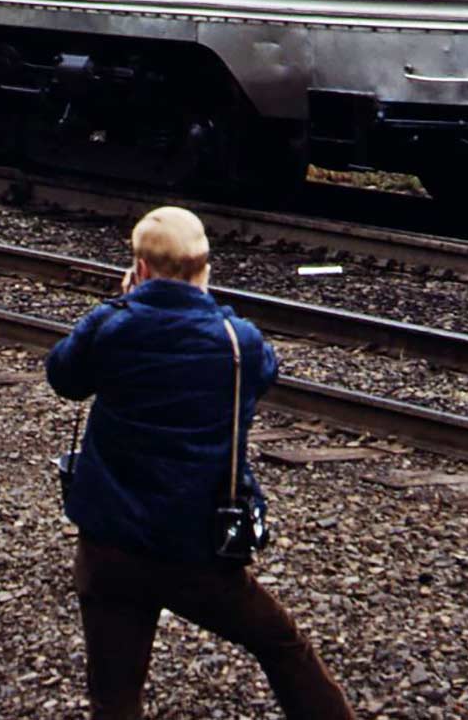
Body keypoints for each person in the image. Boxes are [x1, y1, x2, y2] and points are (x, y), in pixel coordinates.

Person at [46, 207, 357, 720]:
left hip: (111, 546)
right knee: (281, 646)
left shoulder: (110, 326)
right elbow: (263, 376)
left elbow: (64, 377)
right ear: (205, 268)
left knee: (115, 695)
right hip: (197, 547)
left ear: (140, 268)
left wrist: (124, 303)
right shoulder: (240, 342)